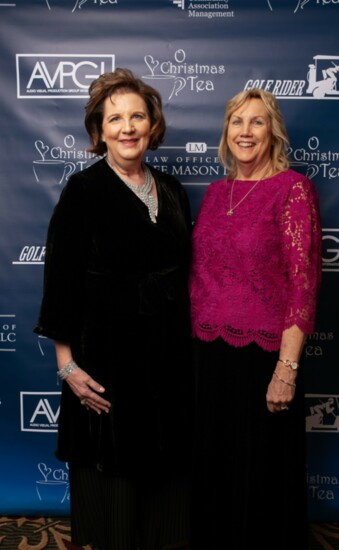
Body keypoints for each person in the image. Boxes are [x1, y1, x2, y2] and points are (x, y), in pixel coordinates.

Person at [34, 68, 194, 550]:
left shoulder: (172, 189)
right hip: (105, 366)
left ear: (153, 126)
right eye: (116, 119)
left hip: (165, 365)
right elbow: (59, 287)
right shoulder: (82, 192)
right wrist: (68, 368)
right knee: (115, 510)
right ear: (99, 131)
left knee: (165, 501)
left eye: (138, 117)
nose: (128, 128)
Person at [189, 88, 322, 549]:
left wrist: (286, 370)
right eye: (237, 122)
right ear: (226, 132)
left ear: (273, 133)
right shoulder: (214, 193)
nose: (246, 132)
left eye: (257, 122)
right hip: (209, 353)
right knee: (215, 468)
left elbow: (303, 285)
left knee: (262, 473)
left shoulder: (293, 190)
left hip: (264, 357)